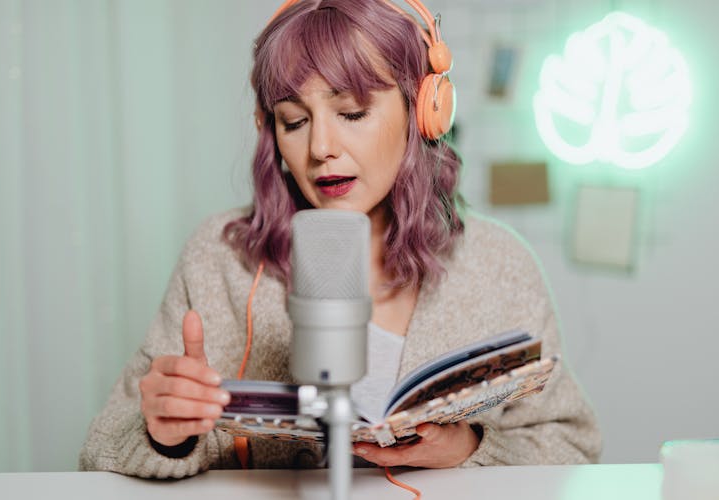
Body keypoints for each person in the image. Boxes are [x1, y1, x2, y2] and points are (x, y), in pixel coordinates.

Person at [80, 0, 601, 478]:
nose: (320, 148)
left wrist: (468, 448)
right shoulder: (219, 258)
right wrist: (165, 435)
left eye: (351, 113)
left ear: (422, 113)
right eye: (294, 121)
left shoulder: (498, 263)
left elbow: (572, 448)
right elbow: (99, 451)